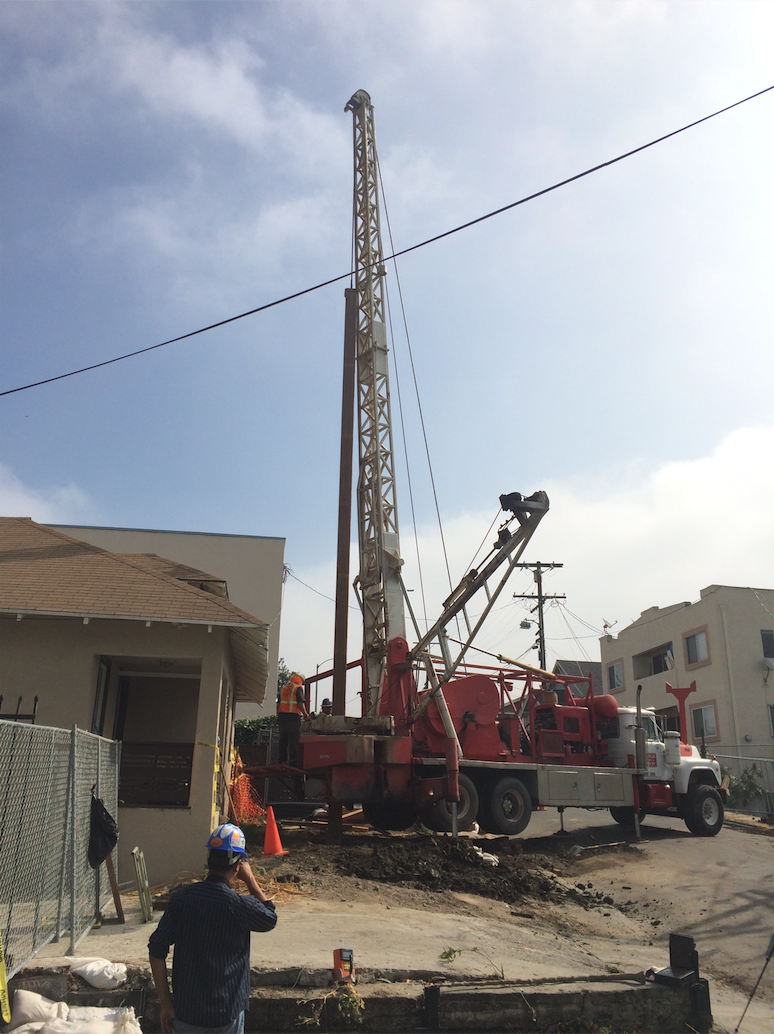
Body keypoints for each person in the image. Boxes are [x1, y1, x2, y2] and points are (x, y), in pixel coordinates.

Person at [148, 823, 277, 1034]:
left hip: (186, 1013)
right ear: (238, 866)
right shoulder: (239, 906)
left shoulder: (182, 899)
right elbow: (269, 917)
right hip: (226, 1015)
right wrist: (251, 880)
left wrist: (166, 1003)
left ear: (209, 861)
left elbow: (156, 949)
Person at [276, 672, 309, 765]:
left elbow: (278, 704)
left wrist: (278, 716)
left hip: (282, 717)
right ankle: (293, 762)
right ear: (300, 680)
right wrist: (306, 715)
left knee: (283, 740)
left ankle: (281, 760)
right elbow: (300, 703)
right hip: (293, 717)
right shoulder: (297, 688)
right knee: (293, 740)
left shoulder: (283, 689)